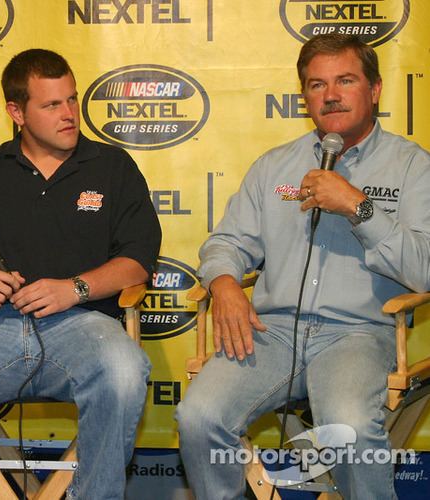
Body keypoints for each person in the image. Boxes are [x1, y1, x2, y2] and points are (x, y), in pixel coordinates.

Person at [0, 48, 161, 499]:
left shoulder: (113, 167)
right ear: (16, 112)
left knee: (123, 371)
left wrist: (74, 289)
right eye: (52, 105)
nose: (69, 114)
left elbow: (138, 259)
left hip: (84, 327)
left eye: (72, 100)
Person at [176, 33, 430, 499]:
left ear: (374, 90)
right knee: (199, 416)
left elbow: (425, 270)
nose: (331, 95)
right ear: (305, 97)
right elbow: (227, 242)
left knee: (349, 427)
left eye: (345, 80)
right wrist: (225, 285)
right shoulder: (274, 167)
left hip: (357, 334)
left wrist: (359, 207)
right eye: (317, 85)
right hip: (272, 331)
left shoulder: (413, 167)